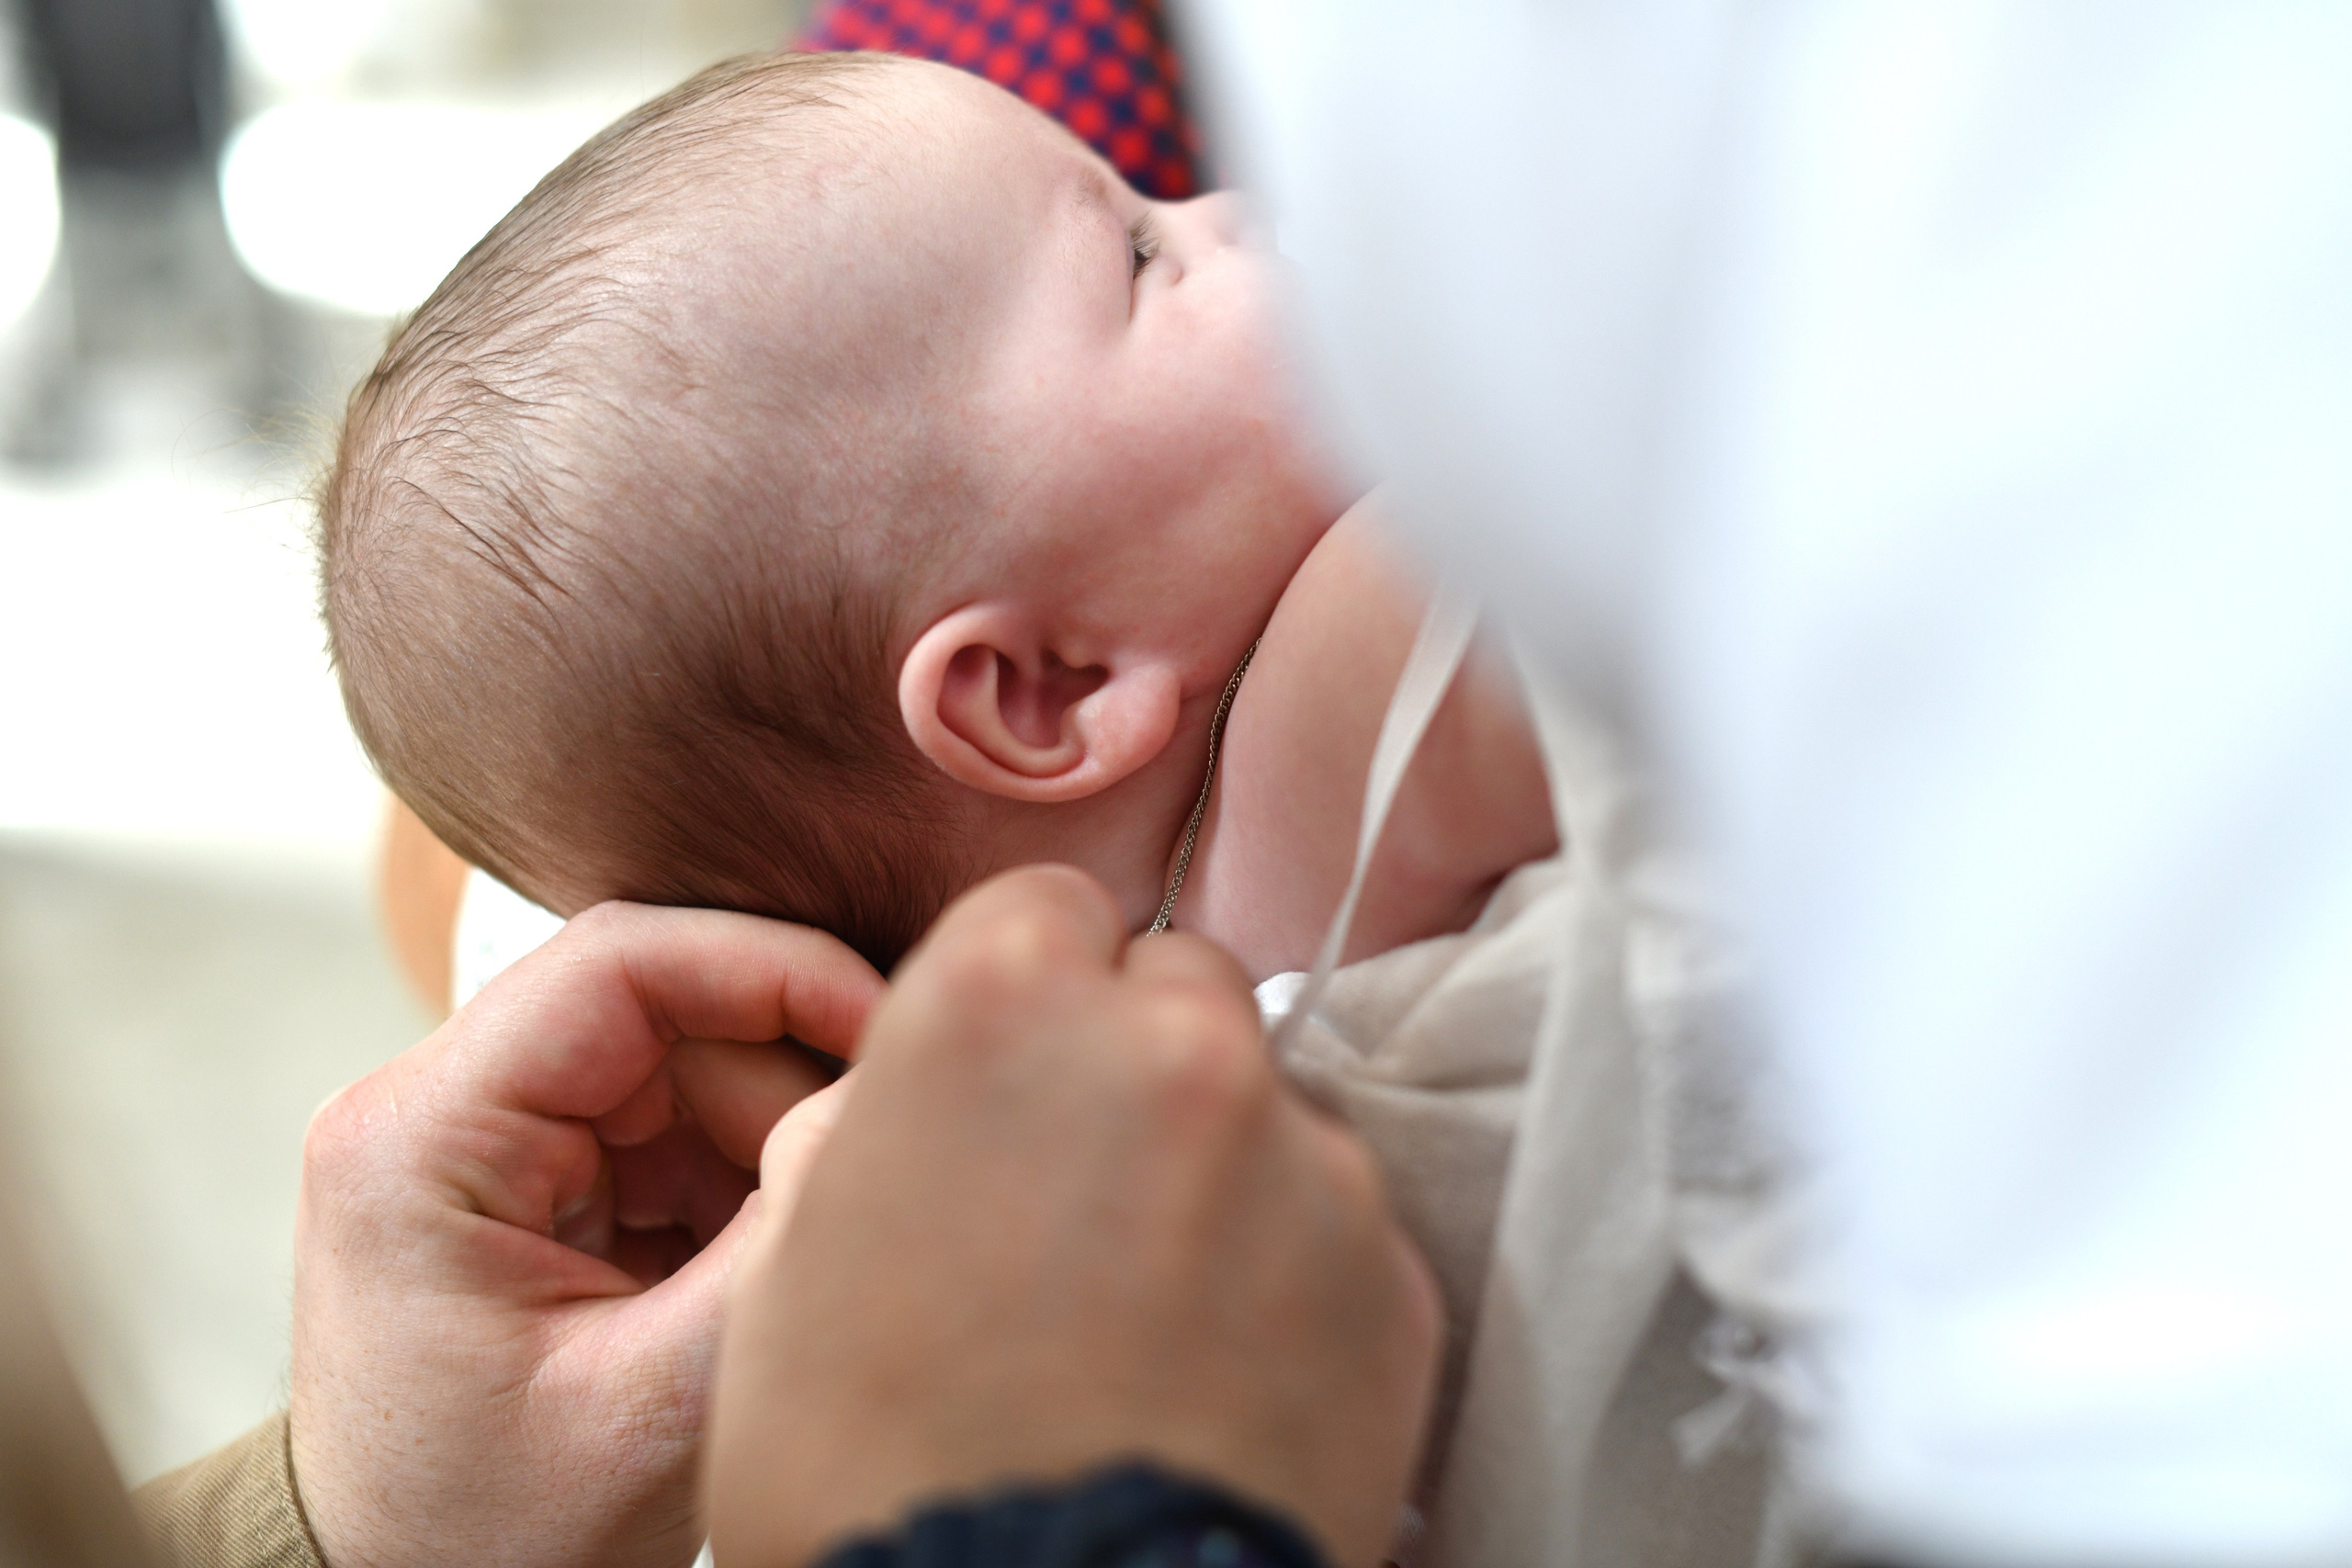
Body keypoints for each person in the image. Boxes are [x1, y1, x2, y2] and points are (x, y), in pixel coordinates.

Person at [1176, 4, 2352, 1563]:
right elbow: (1737, 498)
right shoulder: (1320, 713)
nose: (1225, 205)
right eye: (1137, 259)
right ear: (1039, 692)